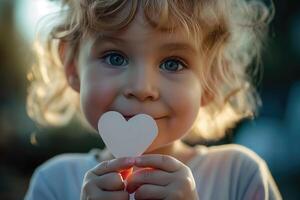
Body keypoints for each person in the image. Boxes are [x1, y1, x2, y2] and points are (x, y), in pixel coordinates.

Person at [25, 0, 282, 199]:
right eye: (115, 57)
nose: (141, 88)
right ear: (72, 66)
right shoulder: (54, 184)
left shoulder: (239, 177)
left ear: (211, 80)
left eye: (173, 63)